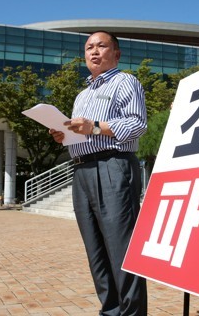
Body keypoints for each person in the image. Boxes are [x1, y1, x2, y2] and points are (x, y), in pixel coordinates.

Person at [49, 31, 148, 315]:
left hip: (112, 166)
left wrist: (93, 126)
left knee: (121, 249)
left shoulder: (125, 81)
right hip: (81, 170)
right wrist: (64, 134)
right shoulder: (82, 95)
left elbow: (137, 124)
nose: (94, 51)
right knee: (96, 252)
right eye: (89, 47)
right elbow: (83, 132)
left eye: (101, 46)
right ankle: (111, 310)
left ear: (116, 54)